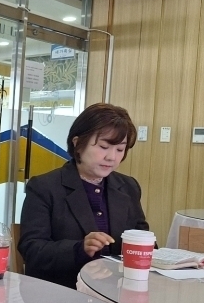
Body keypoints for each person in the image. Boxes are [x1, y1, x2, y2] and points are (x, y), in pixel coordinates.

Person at [19, 103, 148, 289]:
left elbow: (142, 240)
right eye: (104, 147)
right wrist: (79, 249)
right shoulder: (44, 187)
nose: (112, 157)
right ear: (78, 144)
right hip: (62, 293)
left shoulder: (128, 187)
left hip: (118, 292)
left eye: (120, 149)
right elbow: (32, 249)